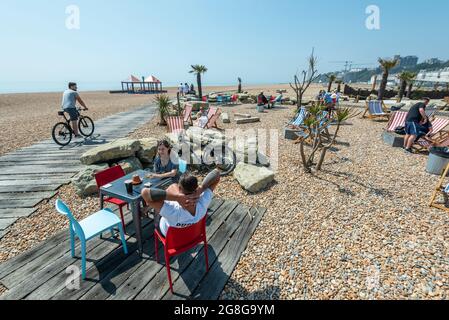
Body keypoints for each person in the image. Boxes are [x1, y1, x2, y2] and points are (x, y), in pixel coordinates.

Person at [141, 169, 221, 237]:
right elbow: (217, 173)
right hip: (191, 236)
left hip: (170, 237)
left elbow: (145, 193)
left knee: (159, 205)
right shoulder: (203, 202)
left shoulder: (172, 209)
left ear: (179, 189)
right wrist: (201, 189)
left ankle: (149, 207)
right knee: (172, 187)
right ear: (195, 188)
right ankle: (151, 206)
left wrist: (177, 197)